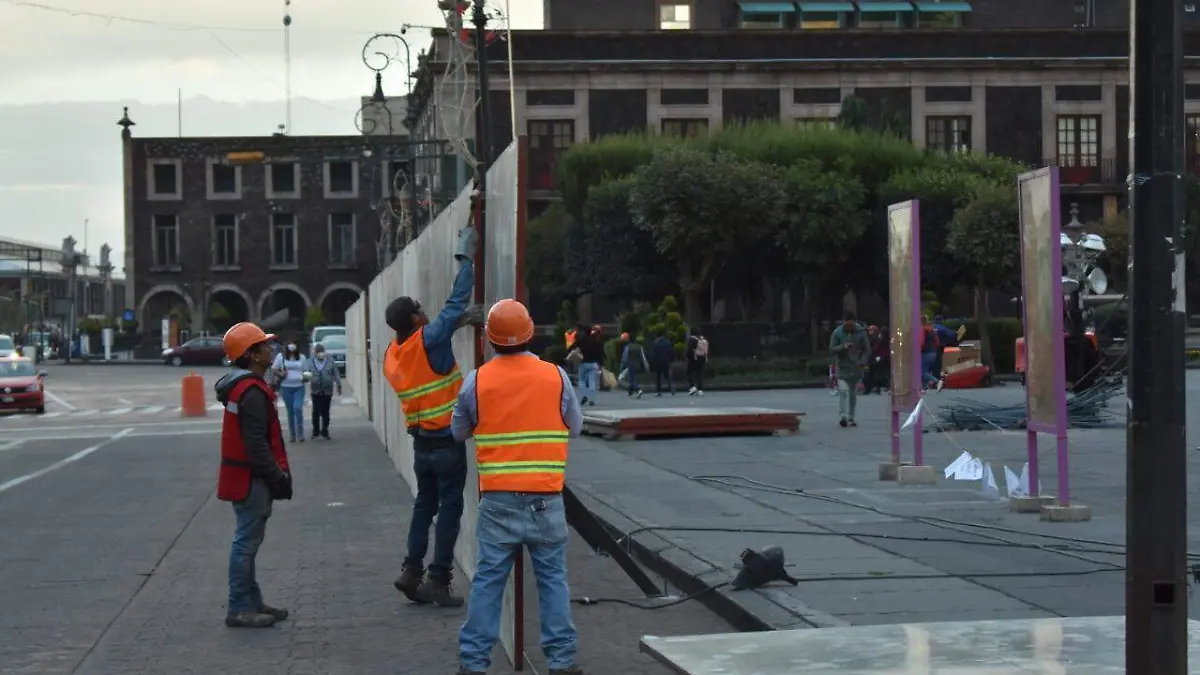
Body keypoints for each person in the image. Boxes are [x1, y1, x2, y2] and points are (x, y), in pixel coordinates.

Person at [453, 299, 584, 675]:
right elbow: (574, 426)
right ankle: (561, 663)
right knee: (553, 581)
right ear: (529, 333)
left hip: (498, 501)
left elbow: (458, 432)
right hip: (546, 499)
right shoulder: (556, 375)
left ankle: (474, 663)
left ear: (490, 340)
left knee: (488, 583)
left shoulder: (476, 381)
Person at [384, 223, 482, 607]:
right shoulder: (428, 338)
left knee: (424, 506)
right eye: (419, 310)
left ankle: (411, 570)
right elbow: (455, 302)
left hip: (421, 444)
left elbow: (438, 331)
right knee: (451, 508)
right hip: (447, 441)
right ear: (414, 321)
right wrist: (465, 257)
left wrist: (456, 323)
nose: (425, 311)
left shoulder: (394, 356)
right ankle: (439, 581)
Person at [214, 322, 293, 628]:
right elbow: (257, 445)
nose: (271, 349)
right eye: (264, 345)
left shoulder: (243, 388)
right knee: (246, 543)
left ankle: (252, 601)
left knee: (248, 541)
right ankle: (239, 607)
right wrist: (277, 478)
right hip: (251, 480)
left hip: (245, 478)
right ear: (252, 354)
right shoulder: (252, 392)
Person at [829, 311, 870, 428]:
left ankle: (851, 416)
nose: (848, 327)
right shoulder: (837, 332)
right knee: (843, 391)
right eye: (846, 325)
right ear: (843, 322)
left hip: (856, 367)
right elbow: (831, 349)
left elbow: (866, 349)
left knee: (852, 393)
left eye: (851, 325)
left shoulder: (861, 333)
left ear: (854, 322)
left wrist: (862, 361)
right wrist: (842, 347)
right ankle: (843, 416)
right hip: (842, 367)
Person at [306, 342, 342, 440]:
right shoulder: (311, 361)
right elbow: (306, 372)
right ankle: (316, 431)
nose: (320, 353)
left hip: (327, 390)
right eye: (318, 352)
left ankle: (325, 430)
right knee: (316, 411)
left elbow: (336, 374)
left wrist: (339, 385)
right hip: (315, 390)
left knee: (325, 411)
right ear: (315, 353)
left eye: (321, 351)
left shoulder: (330, 361)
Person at [272, 343, 307, 442]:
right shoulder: (280, 357)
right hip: (286, 387)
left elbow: (306, 371)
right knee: (290, 411)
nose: (291, 352)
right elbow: (274, 369)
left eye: (293, 350)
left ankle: (300, 433)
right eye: (289, 350)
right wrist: (281, 374)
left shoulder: (302, 357)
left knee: (297, 408)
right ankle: (293, 434)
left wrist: (305, 378)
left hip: (299, 387)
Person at [573, 326, 603, 406]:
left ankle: (586, 394)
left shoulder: (582, 340)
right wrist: (601, 364)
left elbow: (572, 347)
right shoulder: (596, 341)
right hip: (594, 364)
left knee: (581, 381)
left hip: (584, 363)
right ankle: (591, 399)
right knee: (592, 382)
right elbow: (600, 354)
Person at [619, 333, 647, 398]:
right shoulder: (639, 346)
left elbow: (624, 358)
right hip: (637, 365)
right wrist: (645, 365)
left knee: (632, 379)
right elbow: (643, 357)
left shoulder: (627, 347)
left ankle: (638, 389)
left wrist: (622, 366)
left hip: (630, 365)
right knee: (632, 378)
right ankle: (630, 391)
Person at [649, 329, 676, 396]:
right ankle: (671, 387)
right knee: (667, 375)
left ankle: (658, 391)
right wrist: (671, 359)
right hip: (666, 361)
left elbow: (653, 354)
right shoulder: (667, 342)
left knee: (658, 376)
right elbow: (671, 352)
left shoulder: (655, 343)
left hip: (658, 361)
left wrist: (651, 361)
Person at [932, 315, 958, 384]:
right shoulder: (942, 328)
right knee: (937, 364)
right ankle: (936, 379)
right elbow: (952, 335)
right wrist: (956, 333)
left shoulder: (931, 327)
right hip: (938, 348)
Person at [865, 325, 890, 395]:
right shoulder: (883, 338)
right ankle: (877, 388)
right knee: (880, 373)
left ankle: (871, 388)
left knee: (874, 373)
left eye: (871, 330)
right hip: (881, 357)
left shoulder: (877, 338)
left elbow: (876, 347)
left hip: (877, 357)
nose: (869, 332)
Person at [919, 314, 942, 391]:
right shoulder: (932, 329)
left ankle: (937, 381)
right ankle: (924, 387)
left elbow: (921, 342)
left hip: (926, 353)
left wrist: (919, 350)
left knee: (921, 372)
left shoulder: (922, 329)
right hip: (933, 353)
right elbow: (937, 342)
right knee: (925, 370)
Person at [685, 331, 709, 396]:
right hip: (702, 358)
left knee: (689, 372)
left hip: (694, 358)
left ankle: (692, 386)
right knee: (700, 373)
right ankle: (700, 389)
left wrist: (688, 357)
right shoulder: (702, 339)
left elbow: (689, 350)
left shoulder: (692, 339)